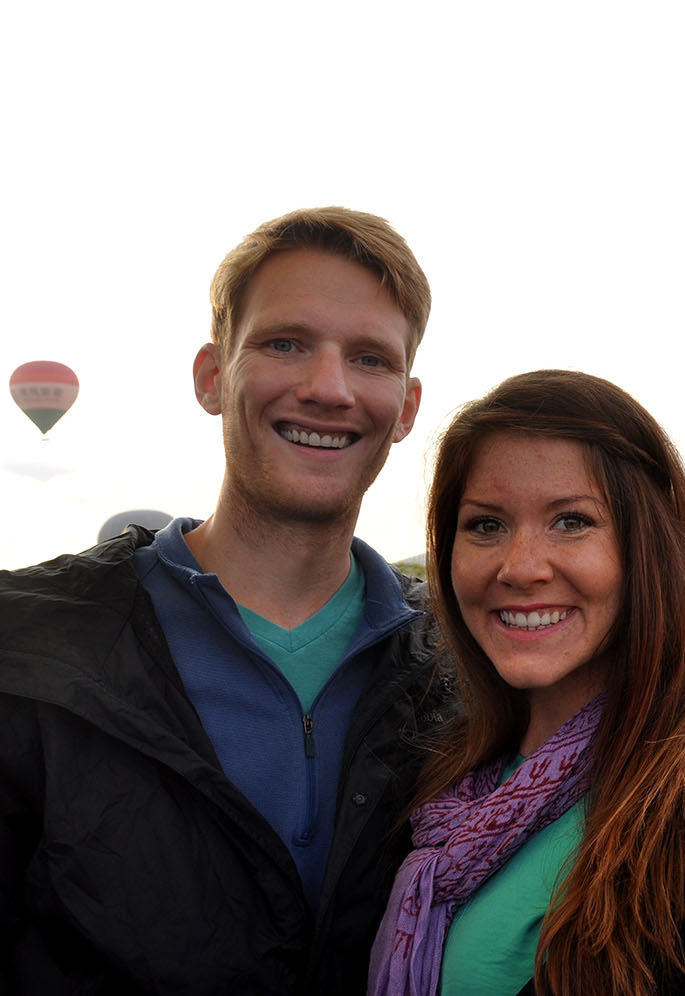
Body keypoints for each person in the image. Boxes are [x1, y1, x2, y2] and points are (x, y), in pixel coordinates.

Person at [0, 207, 455, 994]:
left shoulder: (468, 665)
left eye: (370, 358)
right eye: (286, 344)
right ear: (214, 377)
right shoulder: (28, 647)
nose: (329, 388)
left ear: (407, 407)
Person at [368, 369, 685, 996]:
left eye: (571, 521)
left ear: (649, 548)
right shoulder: (441, 776)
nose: (521, 568)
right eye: (485, 524)